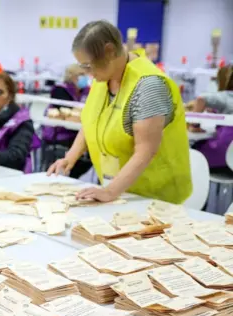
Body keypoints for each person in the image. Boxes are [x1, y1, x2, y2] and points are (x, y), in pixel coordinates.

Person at [48, 20, 192, 204]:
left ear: (109, 51)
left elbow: (146, 150)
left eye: (88, 66)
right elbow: (91, 121)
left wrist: (109, 192)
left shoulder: (149, 85)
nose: (87, 73)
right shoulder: (103, 78)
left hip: (154, 198)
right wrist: (70, 158)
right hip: (120, 193)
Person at [41, 64, 92, 178]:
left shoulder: (87, 90)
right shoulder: (60, 90)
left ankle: (73, 176)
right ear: (73, 76)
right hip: (59, 135)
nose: (85, 77)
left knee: (90, 157)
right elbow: (69, 113)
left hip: (77, 133)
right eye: (81, 74)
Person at [186, 65, 233, 170]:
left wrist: (195, 125)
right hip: (231, 160)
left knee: (189, 150)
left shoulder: (227, 96)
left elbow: (201, 99)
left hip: (221, 156)